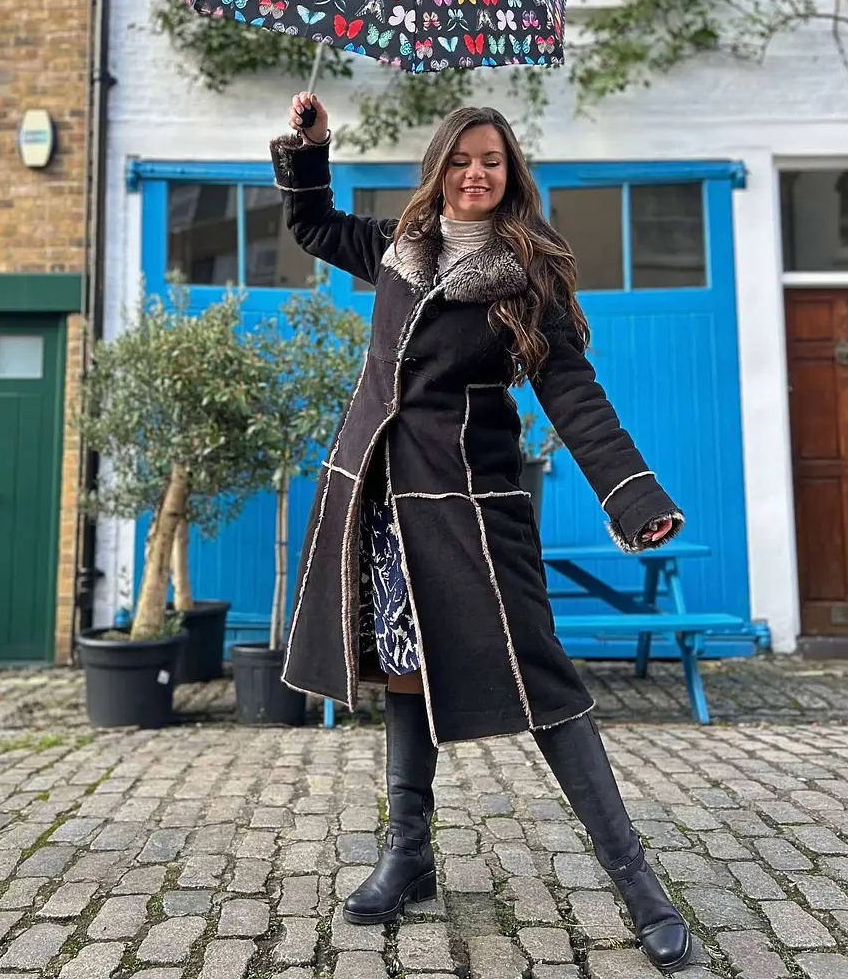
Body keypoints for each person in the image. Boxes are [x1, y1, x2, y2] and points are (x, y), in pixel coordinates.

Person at [270, 93, 692, 974]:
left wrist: (631, 494)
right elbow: (312, 225)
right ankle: (408, 854)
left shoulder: (527, 272)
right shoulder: (398, 246)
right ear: (439, 168)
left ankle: (639, 884)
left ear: (510, 173)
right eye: (461, 160)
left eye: (491, 162)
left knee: (543, 682)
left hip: (472, 504)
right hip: (383, 500)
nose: (475, 174)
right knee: (405, 667)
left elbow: (572, 393)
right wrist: (310, 149)